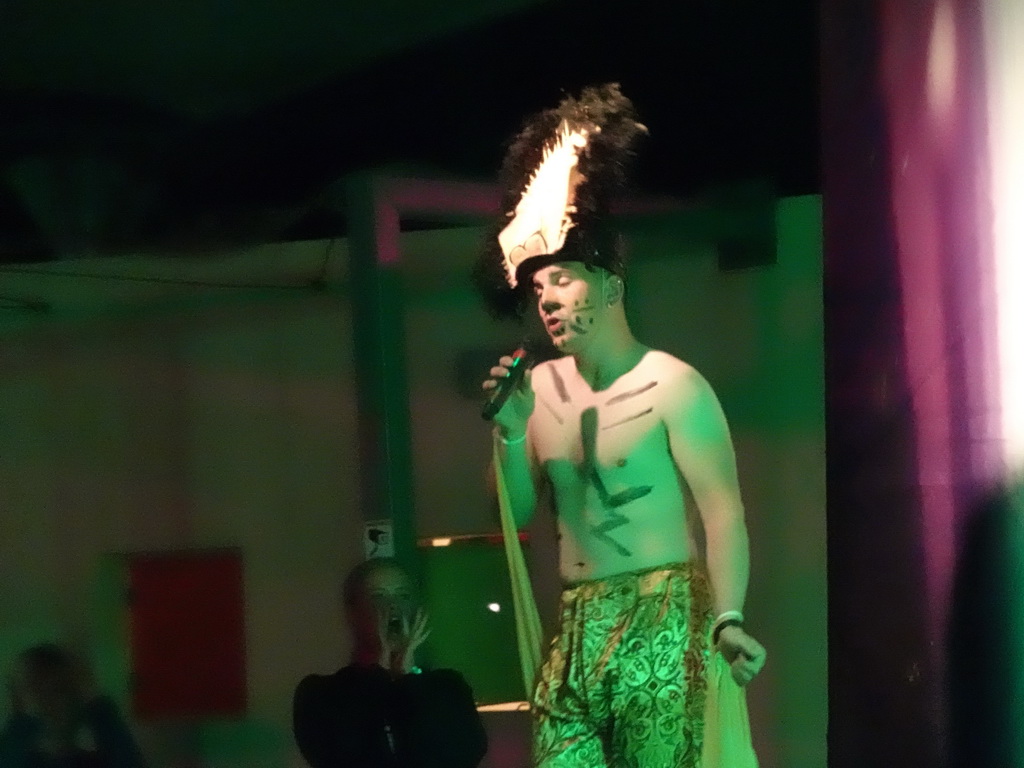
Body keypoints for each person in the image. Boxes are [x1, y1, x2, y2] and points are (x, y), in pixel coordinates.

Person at [474, 84, 767, 768]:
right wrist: (512, 434)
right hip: (576, 623)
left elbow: (723, 513)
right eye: (539, 286)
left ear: (609, 284)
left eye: (564, 280)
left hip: (664, 616)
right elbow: (511, 519)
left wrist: (728, 615)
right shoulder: (539, 389)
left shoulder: (674, 386)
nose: (547, 297)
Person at [292, 557, 488, 768]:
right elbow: (338, 752)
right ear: (354, 612)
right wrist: (381, 669)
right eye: (378, 596)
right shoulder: (321, 693)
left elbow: (462, 753)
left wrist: (408, 678)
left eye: (403, 595)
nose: (393, 606)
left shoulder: (448, 688)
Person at [0, 643, 147, 768]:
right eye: (33, 688)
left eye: (58, 690)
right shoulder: (18, 736)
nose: (48, 701)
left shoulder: (102, 722)